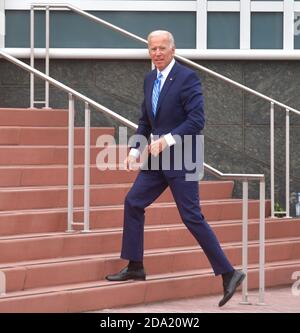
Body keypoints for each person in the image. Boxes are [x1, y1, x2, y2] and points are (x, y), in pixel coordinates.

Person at [106, 30, 245, 307]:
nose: (157, 53)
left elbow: (197, 120)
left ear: (172, 49)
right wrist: (134, 150)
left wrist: (167, 140)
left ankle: (229, 273)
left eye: (161, 48)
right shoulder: (149, 79)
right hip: (157, 161)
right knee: (133, 202)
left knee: (191, 216)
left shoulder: (187, 78)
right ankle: (135, 265)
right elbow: (146, 120)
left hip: (183, 158)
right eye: (152, 48)